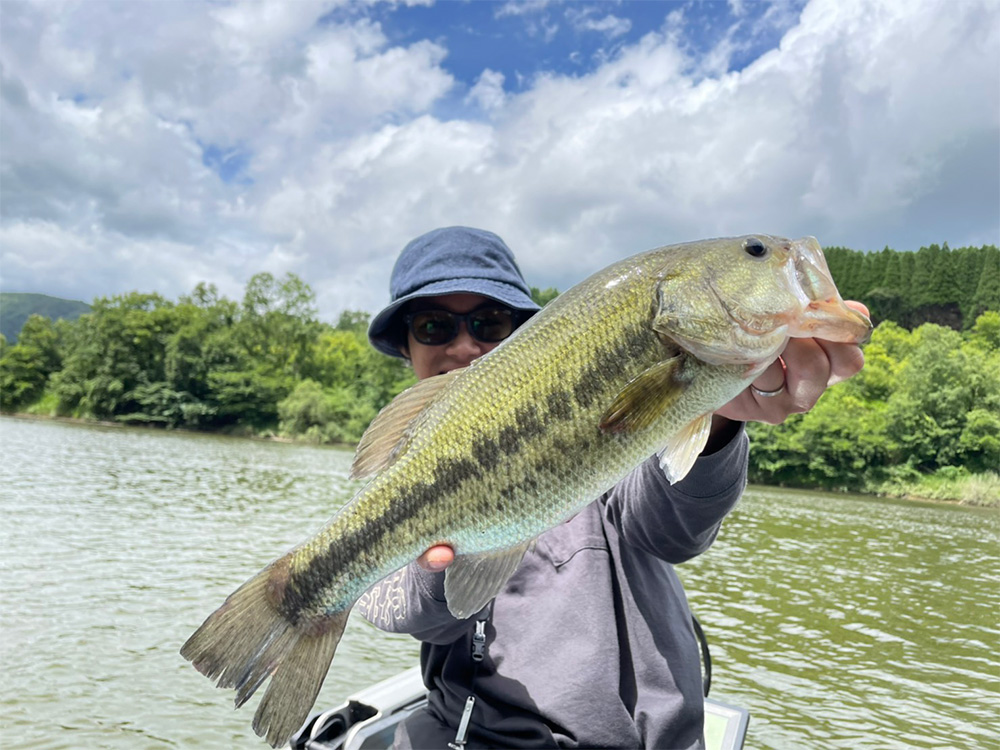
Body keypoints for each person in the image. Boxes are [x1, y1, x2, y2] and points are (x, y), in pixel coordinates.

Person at [358, 226, 867, 749]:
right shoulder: (403, 467)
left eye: (490, 322)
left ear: (525, 331)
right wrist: (434, 571)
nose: (465, 345)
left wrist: (714, 417)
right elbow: (389, 607)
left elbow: (671, 532)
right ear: (406, 347)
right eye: (434, 326)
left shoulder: (605, 412)